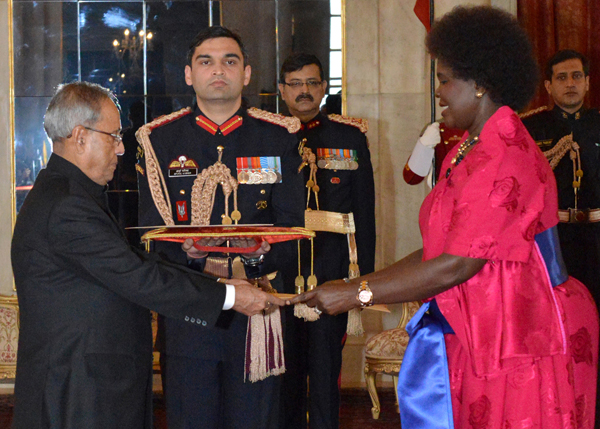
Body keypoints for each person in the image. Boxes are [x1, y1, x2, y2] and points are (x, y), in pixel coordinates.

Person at [292, 6, 598, 428]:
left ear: (479, 84)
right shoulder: (469, 146)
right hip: (482, 326)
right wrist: (354, 286)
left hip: (522, 335)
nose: (438, 92)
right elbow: (440, 250)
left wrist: (355, 295)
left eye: (444, 79)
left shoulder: (504, 154)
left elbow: (458, 263)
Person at [10, 81, 283, 429]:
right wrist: (230, 296)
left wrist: (219, 281)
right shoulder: (67, 205)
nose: (121, 149)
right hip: (78, 390)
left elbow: (136, 264)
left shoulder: (69, 193)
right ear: (80, 136)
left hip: (91, 383)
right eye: (113, 136)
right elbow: (138, 277)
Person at [136, 26, 304, 429]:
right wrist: (189, 252)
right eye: (205, 62)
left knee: (256, 420)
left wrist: (262, 251)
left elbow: (294, 227)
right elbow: (149, 235)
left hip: (257, 311)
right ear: (189, 75)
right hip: (190, 312)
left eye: (230, 61)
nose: (219, 70)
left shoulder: (280, 136)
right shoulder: (158, 139)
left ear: (246, 74)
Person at [277, 53, 375, 429]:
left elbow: (364, 213)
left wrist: (361, 282)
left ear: (324, 87)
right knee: (281, 372)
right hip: (280, 272)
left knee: (324, 372)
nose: (304, 91)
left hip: (332, 270)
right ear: (283, 90)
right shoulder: (267, 135)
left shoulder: (349, 137)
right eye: (296, 84)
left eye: (312, 83)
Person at [521, 48, 600, 427]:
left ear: (587, 81)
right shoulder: (530, 129)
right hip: (553, 245)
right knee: (559, 329)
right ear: (548, 86)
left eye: (577, 76)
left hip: (598, 239)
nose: (571, 84)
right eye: (562, 78)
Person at [402, 121, 462, 186]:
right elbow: (411, 178)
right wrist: (424, 145)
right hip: (444, 192)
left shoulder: (473, 130)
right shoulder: (436, 127)